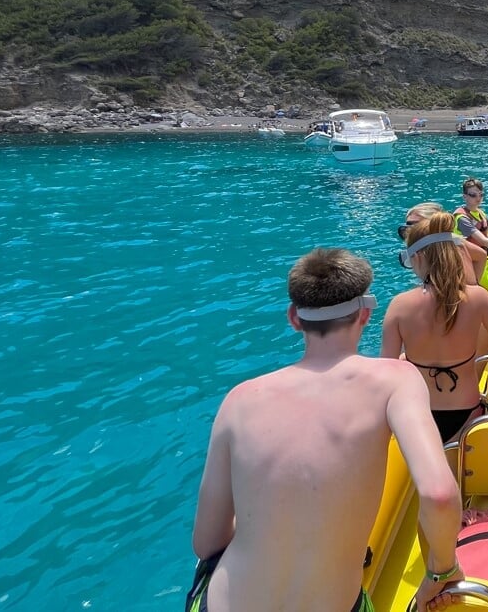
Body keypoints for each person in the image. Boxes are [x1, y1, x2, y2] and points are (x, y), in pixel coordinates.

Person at [190, 248, 463, 612]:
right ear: (365, 313)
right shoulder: (394, 380)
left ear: (294, 318)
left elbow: (206, 543)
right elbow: (439, 494)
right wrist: (441, 572)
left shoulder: (239, 399)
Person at [382, 213, 488, 442]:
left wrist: (411, 358)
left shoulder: (399, 305)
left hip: (420, 413)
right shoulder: (479, 298)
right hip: (466, 411)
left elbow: (386, 373)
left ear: (417, 257)